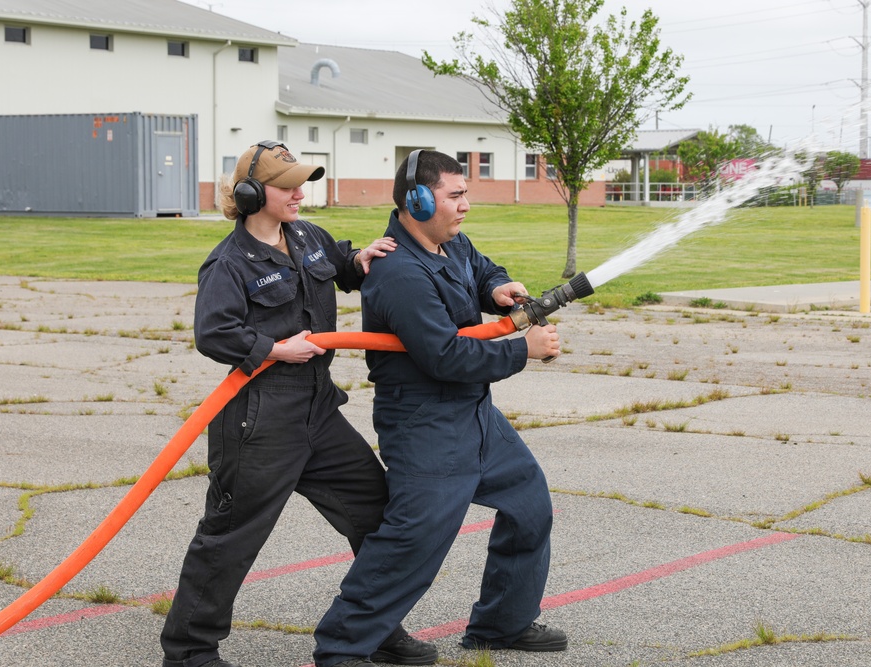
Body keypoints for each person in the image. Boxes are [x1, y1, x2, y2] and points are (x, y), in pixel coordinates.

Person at [160, 141, 437, 667]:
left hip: (318, 410)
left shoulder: (308, 235)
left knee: (377, 513)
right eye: (287, 186)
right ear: (250, 194)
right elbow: (213, 332)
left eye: (300, 183)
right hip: (259, 418)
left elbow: (340, 269)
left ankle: (374, 627)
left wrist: (361, 259)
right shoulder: (229, 262)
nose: (299, 193)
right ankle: (189, 651)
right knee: (232, 536)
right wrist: (273, 350)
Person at [311, 150, 567, 667]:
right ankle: (341, 649)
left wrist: (497, 286)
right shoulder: (399, 273)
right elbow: (444, 355)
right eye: (456, 195)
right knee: (415, 540)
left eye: (465, 193)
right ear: (419, 200)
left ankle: (502, 623)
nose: (467, 205)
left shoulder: (450, 243)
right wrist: (525, 348)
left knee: (529, 504)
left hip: (475, 414)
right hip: (425, 420)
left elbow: (479, 267)